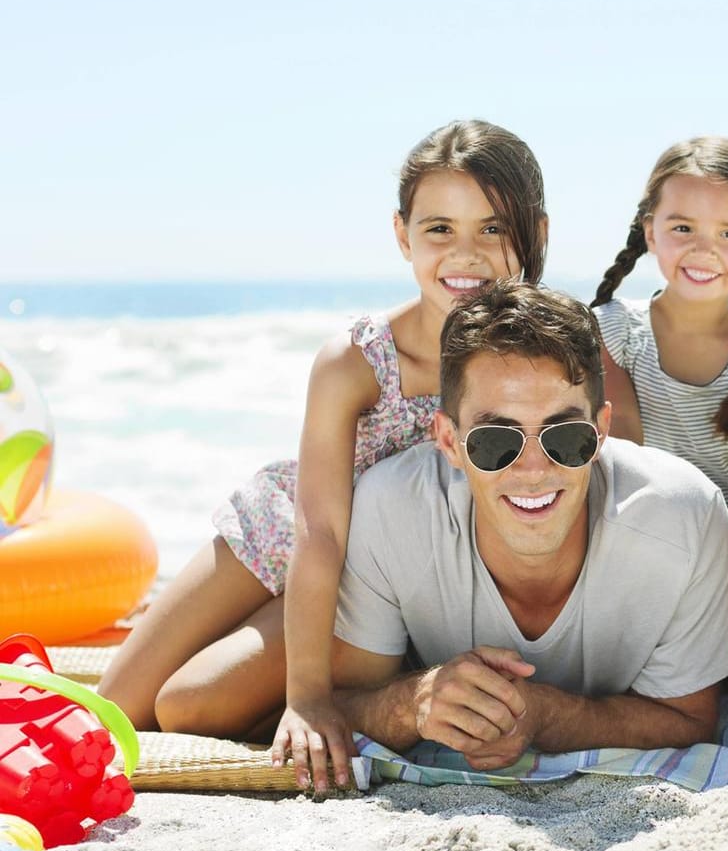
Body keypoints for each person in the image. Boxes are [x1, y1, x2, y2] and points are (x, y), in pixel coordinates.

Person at [98, 119, 548, 792]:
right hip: (292, 529)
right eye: (439, 230)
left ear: (536, 234)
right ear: (402, 235)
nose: (466, 254)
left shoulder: (546, 352)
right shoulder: (357, 360)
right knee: (113, 708)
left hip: (370, 578)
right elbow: (319, 529)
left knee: (184, 706)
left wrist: (309, 695)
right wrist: (304, 695)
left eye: (492, 228)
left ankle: (363, 693)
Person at [329, 281, 728, 769]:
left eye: (564, 436)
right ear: (448, 440)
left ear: (601, 432)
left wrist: (545, 715)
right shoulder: (391, 509)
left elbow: (692, 720)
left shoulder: (684, 519)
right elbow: (343, 701)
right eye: (495, 440)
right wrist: (413, 703)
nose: (532, 468)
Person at [589, 137, 728, 520]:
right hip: (639, 523)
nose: (704, 250)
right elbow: (623, 461)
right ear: (650, 232)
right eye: (683, 228)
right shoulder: (613, 333)